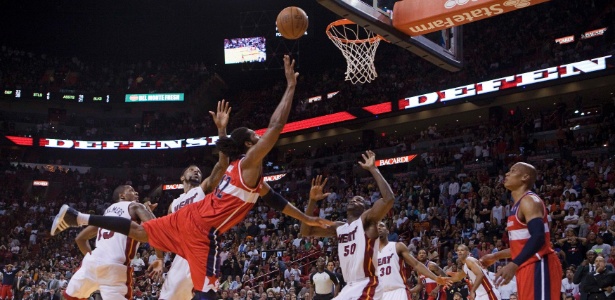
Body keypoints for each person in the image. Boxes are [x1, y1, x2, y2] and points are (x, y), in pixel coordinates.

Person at [51, 55, 333, 300]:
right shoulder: (248, 164)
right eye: (255, 138)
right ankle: (79, 218)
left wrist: (306, 219)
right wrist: (291, 85)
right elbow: (276, 125)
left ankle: (78, 217)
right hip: (201, 230)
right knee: (206, 292)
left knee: (139, 232)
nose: (261, 139)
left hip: (186, 222)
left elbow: (274, 199)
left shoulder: (241, 171)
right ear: (250, 146)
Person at [301, 153, 433, 300]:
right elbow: (306, 231)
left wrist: (373, 169)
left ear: (365, 208)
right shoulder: (339, 227)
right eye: (352, 199)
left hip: (367, 283)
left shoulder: (366, 221)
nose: (353, 200)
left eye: (358, 200)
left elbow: (389, 199)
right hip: (349, 286)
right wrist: (312, 201)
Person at [160, 100, 231, 300]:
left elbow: (223, 163)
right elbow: (164, 233)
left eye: (198, 170)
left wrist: (222, 130)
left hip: (201, 251)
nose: (197, 171)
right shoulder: (173, 204)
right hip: (181, 257)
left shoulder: (203, 189)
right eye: (192, 169)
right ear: (182, 178)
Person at [63, 185, 163, 300]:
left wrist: (95, 259)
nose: (136, 193)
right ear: (122, 196)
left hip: (91, 263)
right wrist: (160, 257)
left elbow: (80, 239)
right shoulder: (135, 206)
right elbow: (157, 229)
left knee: (70, 297)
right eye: (131, 190)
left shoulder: (106, 214)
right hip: (114, 266)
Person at [480, 162, 563, 300]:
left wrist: (514, 264)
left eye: (512, 171)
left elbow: (538, 237)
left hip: (539, 264)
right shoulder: (516, 205)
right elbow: (522, 247)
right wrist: (495, 257)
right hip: (526, 266)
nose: (507, 174)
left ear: (525, 177)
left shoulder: (529, 200)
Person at [376, 222, 450, 300]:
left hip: (397, 291)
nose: (378, 228)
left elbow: (416, 264)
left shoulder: (397, 246)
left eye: (381, 226)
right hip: (380, 293)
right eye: (376, 227)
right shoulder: (370, 253)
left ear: (387, 231)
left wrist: (435, 278)